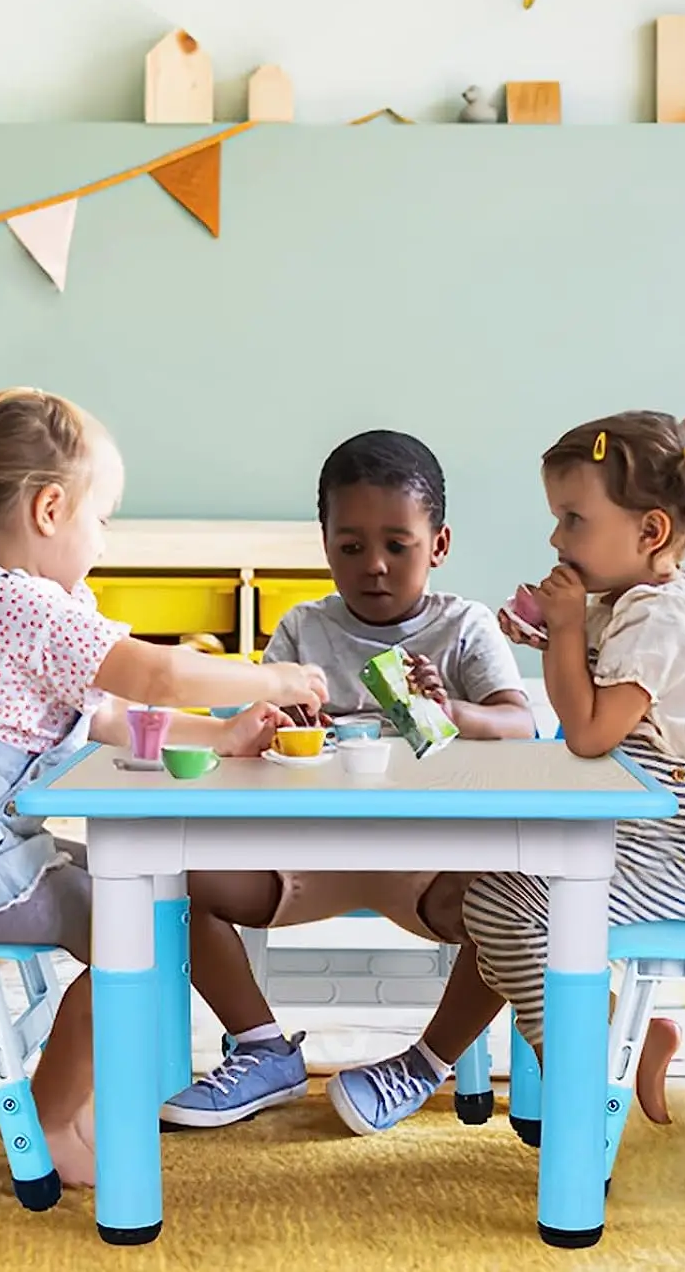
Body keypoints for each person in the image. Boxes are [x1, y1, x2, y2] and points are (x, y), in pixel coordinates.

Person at [0, 388, 327, 1187]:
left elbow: (111, 716)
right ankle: (52, 1116)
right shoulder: (19, 606)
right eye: (102, 518)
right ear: (49, 509)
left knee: (144, 903)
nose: (104, 539)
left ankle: (83, 1099)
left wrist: (225, 733)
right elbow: (160, 672)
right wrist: (268, 672)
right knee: (134, 926)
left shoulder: (24, 601)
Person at [161, 431, 537, 1136]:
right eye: (351, 546)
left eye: (398, 544)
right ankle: (264, 1049)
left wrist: (450, 710)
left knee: (513, 902)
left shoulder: (462, 627)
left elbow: (520, 726)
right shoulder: (304, 628)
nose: (375, 566)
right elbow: (251, 737)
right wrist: (273, 720)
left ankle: (426, 1062)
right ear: (326, 543)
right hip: (309, 856)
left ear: (439, 543)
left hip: (428, 867)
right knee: (174, 881)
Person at [465, 411, 685, 1126]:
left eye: (573, 519)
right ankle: (624, 1034)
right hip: (645, 836)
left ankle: (587, 1066)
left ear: (650, 532)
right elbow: (583, 700)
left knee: (502, 903)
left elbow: (589, 732)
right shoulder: (627, 604)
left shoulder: (663, 622)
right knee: (497, 884)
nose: (557, 539)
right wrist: (551, 633)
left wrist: (564, 632)